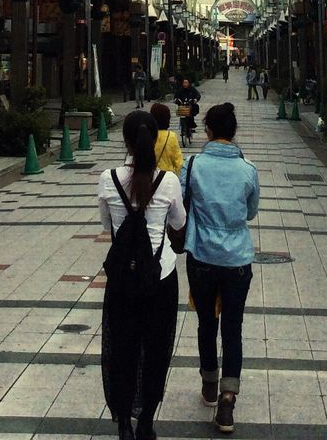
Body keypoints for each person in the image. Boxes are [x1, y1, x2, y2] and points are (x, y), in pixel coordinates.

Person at [98, 110, 186, 440]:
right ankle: (146, 419)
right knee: (156, 348)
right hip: (160, 277)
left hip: (122, 279)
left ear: (126, 140)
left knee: (122, 346)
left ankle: (123, 421)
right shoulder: (169, 181)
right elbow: (178, 223)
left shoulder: (107, 179)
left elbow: (107, 225)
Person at [181, 102, 259, 435]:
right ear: (234, 131)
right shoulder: (248, 169)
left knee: (205, 323)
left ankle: (209, 383)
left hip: (201, 257)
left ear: (209, 131)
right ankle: (228, 399)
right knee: (233, 328)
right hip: (237, 260)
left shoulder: (194, 164)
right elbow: (251, 212)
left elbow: (181, 206)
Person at [150, 102, 182, 175]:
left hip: (149, 177)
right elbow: (178, 161)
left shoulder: (148, 135)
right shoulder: (171, 136)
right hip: (167, 176)